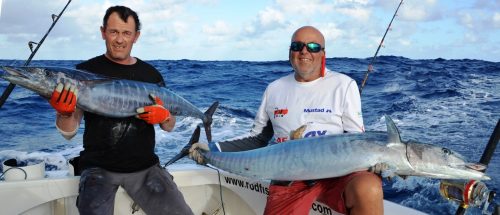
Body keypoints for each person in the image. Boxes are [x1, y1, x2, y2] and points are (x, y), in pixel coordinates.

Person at [189, 26, 383, 215]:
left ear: (323, 53)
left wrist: (377, 161)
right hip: (289, 177)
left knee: (369, 187)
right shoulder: (274, 89)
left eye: (313, 47)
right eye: (297, 46)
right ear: (290, 52)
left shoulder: (344, 85)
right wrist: (212, 149)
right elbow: (257, 139)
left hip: (338, 174)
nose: (304, 51)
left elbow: (357, 140)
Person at [48, 5, 193, 215]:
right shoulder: (83, 72)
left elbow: (169, 126)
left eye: (126, 33)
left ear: (136, 36)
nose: (119, 39)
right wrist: (64, 113)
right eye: (114, 31)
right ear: (103, 32)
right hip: (98, 169)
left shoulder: (150, 74)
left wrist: (165, 116)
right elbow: (68, 132)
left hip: (146, 167)